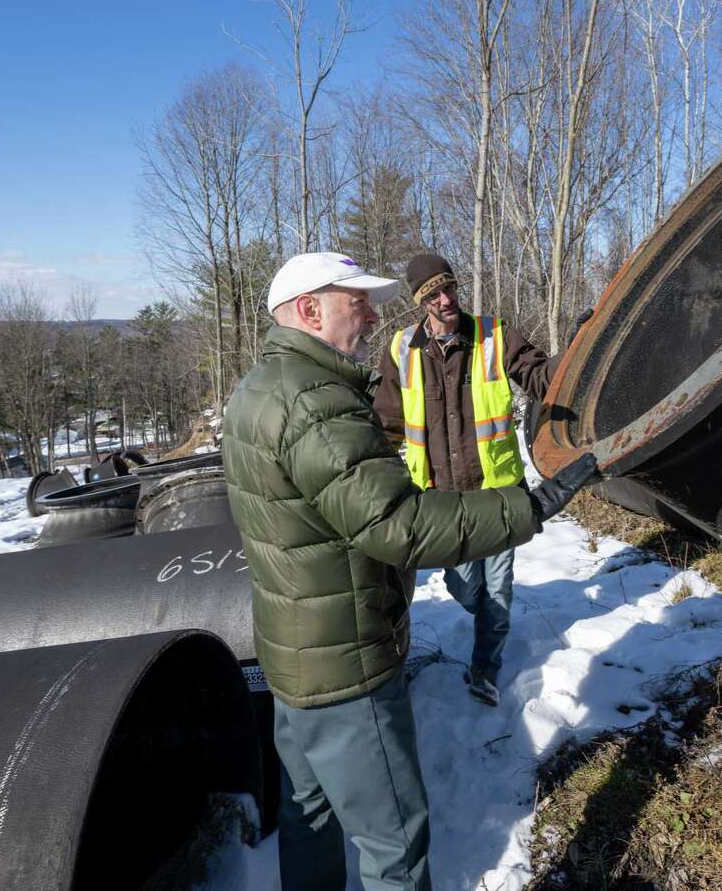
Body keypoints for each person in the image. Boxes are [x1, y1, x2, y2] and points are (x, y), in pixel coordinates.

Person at [221, 251, 597, 891]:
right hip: (348, 663)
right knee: (394, 845)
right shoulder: (317, 402)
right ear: (310, 310)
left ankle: (485, 666)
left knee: (309, 815)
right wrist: (530, 507)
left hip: (296, 655)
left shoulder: (260, 387)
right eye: (358, 302)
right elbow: (398, 525)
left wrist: (582, 360)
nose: (373, 316)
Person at [374, 254, 561, 708]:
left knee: (497, 590)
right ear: (421, 302)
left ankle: (485, 669)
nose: (445, 299)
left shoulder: (494, 335)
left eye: (449, 288)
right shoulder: (402, 349)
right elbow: (386, 422)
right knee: (464, 588)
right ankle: (486, 619)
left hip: (497, 491)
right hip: (439, 500)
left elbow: (540, 378)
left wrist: (578, 351)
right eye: (433, 295)